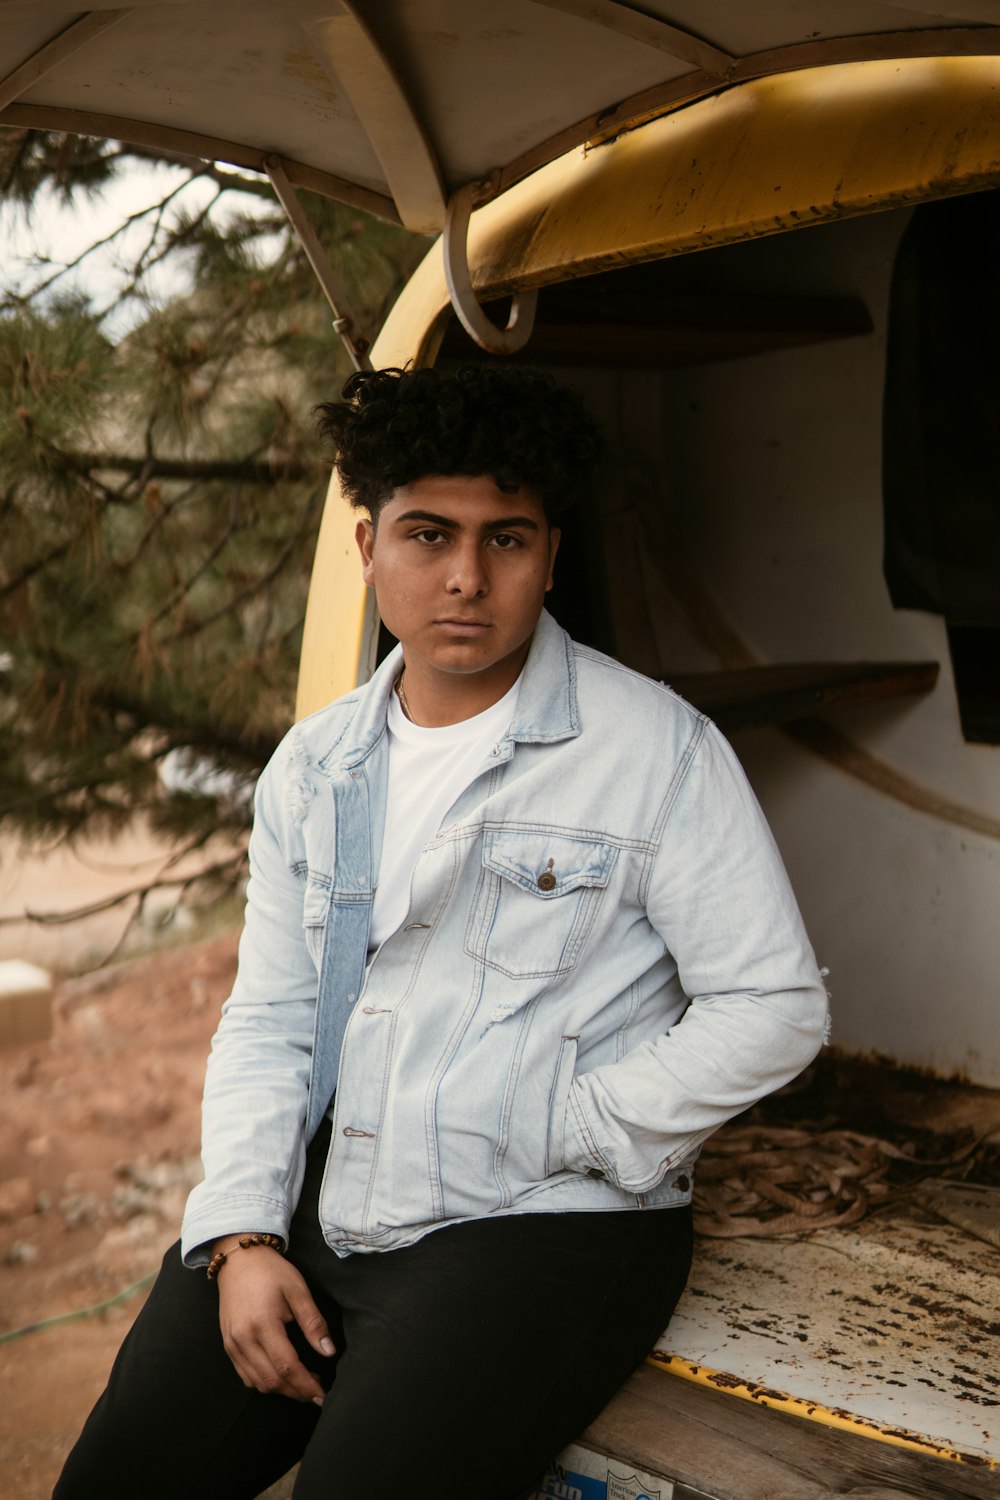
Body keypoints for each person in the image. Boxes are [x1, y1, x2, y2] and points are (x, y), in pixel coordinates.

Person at [56, 364, 827, 1500]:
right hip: (326, 1193)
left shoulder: (655, 751)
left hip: (541, 1223)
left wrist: (574, 1118)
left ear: (550, 557)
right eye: (428, 534)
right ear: (368, 548)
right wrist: (242, 1238)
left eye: (505, 539)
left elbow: (775, 1007)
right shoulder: (314, 767)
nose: (466, 577)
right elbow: (268, 1014)